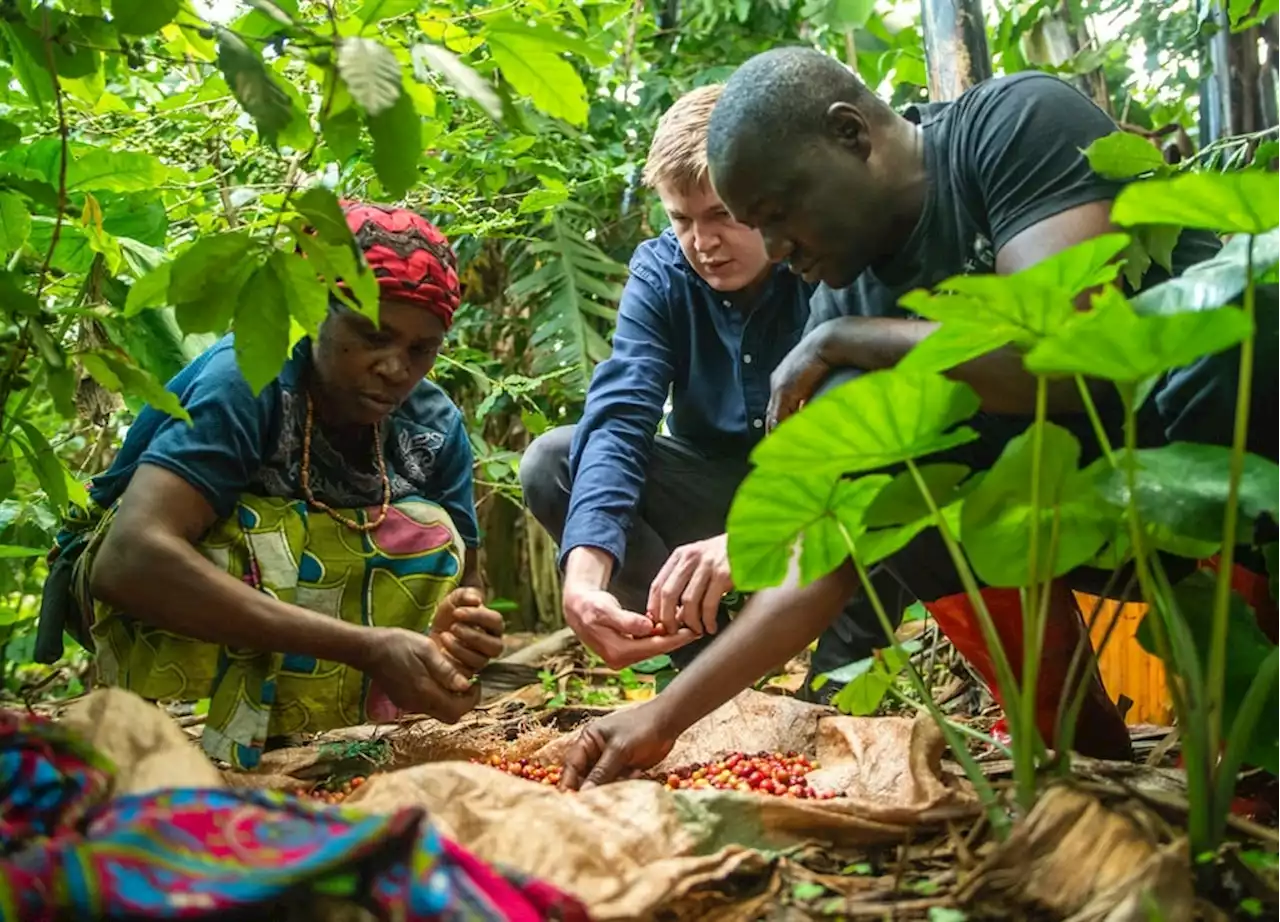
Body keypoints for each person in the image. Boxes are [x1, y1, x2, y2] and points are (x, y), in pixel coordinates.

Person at [557, 47, 1253, 788]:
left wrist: (852, 340)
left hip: (1224, 476)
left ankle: (1249, 736)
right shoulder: (840, 296)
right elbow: (825, 550)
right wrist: (662, 718)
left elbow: (1071, 353)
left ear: (851, 134)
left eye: (778, 215)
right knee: (911, 498)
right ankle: (1086, 761)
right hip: (1070, 519)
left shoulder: (1012, 124)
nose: (780, 250)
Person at [37, 203, 505, 770]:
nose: (395, 367)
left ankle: (331, 735)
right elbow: (128, 560)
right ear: (313, 314)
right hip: (153, 615)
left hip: (310, 635)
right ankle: (185, 734)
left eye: (420, 349)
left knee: (432, 534)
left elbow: (466, 585)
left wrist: (459, 649)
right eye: (372, 335)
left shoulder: (433, 429)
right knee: (259, 534)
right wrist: (365, 648)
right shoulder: (247, 379)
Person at [520, 83, 908, 695]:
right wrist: (585, 576)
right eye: (682, 220)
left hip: (829, 488)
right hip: (712, 489)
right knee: (554, 460)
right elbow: (621, 415)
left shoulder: (825, 255)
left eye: (722, 215)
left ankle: (840, 684)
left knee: (887, 477)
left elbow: (875, 434)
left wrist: (755, 536)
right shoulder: (661, 274)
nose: (702, 243)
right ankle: (710, 676)